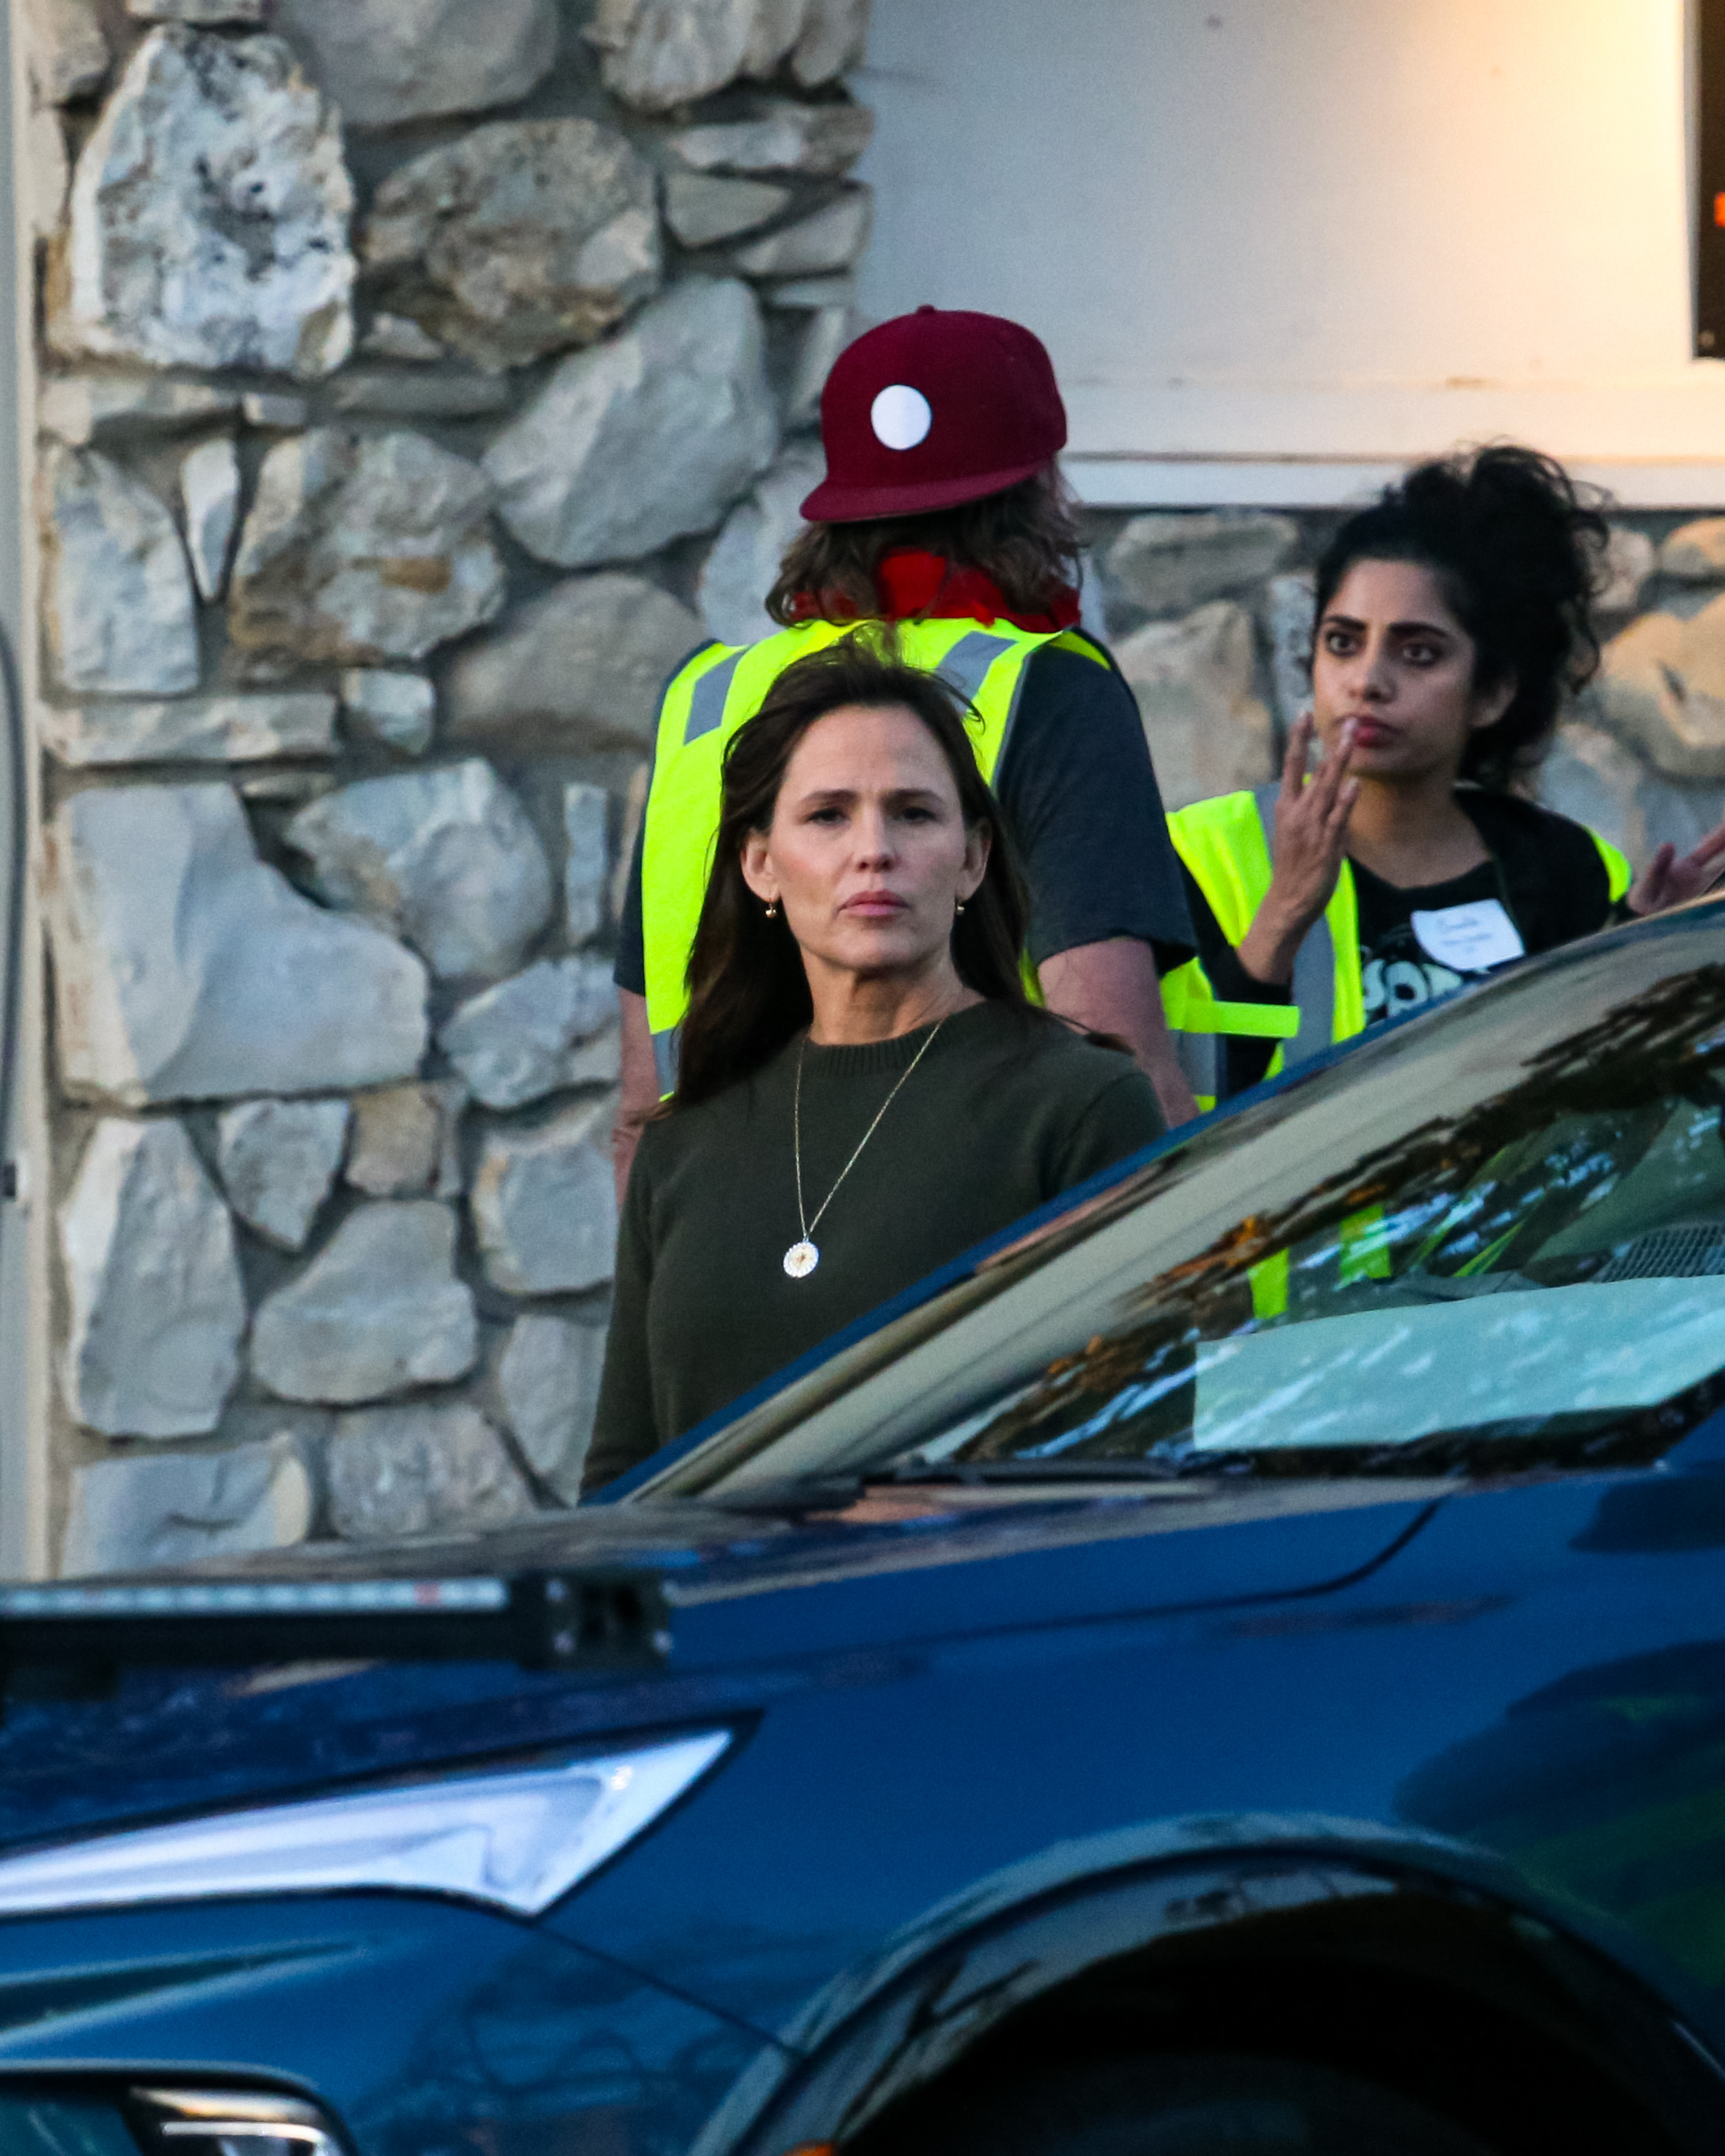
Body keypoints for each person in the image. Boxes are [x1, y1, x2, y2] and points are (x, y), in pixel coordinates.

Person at [611, 305, 1198, 1202]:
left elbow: (638, 1112)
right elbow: (1113, 1069)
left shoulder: (706, 700)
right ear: (1041, 484)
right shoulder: (1048, 689)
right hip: (962, 1270)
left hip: (723, 1256)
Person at [584, 639, 1167, 1493]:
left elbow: (1135, 1443)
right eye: (827, 815)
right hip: (717, 1621)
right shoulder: (683, 1141)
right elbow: (620, 1476)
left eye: (913, 813)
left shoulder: (1078, 1107)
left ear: (971, 858)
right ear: (760, 865)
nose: (873, 850)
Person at [1160, 444, 1725, 1107]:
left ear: (1491, 693)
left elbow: (1601, 1112)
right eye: (1342, 642)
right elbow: (1170, 1115)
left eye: (1419, 653)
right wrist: (1282, 918)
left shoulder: (1572, 869)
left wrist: (1640, 953)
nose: (1368, 681)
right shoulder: (1196, 854)